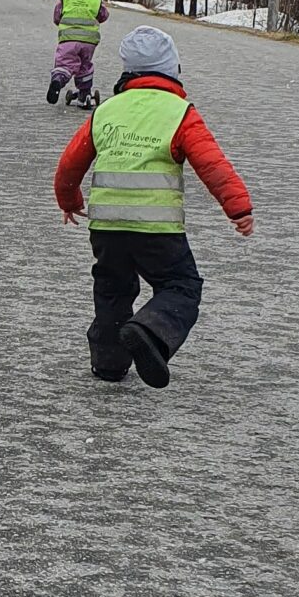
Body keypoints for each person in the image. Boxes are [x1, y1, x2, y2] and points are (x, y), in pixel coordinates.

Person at [54, 21, 253, 386]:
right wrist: (238, 208)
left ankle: (109, 362)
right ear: (173, 70)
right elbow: (213, 164)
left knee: (112, 288)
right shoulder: (180, 113)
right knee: (181, 285)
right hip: (157, 229)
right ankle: (151, 329)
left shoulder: (107, 111)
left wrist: (69, 199)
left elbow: (71, 162)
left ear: (127, 71)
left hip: (108, 226)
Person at [46, 0, 108, 108]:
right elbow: (103, 15)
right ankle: (84, 94)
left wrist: (60, 22)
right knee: (85, 65)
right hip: (89, 40)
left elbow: (57, 14)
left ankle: (59, 80)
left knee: (65, 63)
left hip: (68, 38)